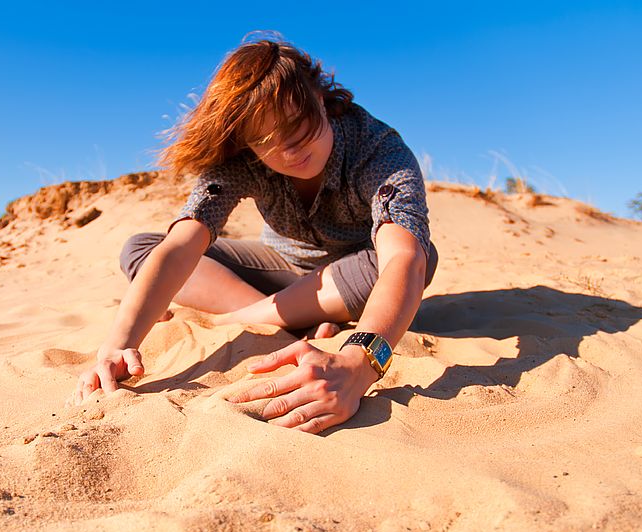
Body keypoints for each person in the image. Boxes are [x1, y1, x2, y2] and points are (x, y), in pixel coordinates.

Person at [70, 33, 439, 435]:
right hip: (279, 269)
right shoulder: (244, 160)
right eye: (266, 140)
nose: (289, 149)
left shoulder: (378, 149)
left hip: (353, 276)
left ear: (319, 97)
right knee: (142, 249)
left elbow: (403, 259)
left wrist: (358, 364)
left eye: (297, 124)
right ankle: (287, 323)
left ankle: (241, 318)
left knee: (418, 257)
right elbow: (181, 245)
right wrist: (117, 344)